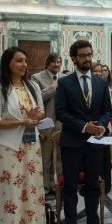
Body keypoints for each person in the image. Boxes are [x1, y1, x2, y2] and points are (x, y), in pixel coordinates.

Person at [55, 40, 112, 224]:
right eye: (82, 55)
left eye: (89, 55)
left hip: (95, 142)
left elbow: (107, 109)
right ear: (73, 58)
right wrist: (84, 126)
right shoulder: (64, 83)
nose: (87, 59)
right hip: (72, 142)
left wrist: (102, 125)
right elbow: (60, 112)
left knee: (93, 186)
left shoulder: (100, 82)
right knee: (70, 187)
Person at [0, 46, 46, 224]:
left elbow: (40, 112)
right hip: (8, 147)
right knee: (11, 191)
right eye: (19, 61)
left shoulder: (33, 86)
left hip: (31, 145)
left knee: (30, 189)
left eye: (25, 61)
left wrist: (36, 118)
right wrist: (22, 121)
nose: (24, 64)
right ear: (8, 63)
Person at [31, 53, 65, 196]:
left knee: (59, 158)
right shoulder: (36, 78)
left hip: (61, 122)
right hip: (46, 122)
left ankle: (58, 184)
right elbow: (37, 98)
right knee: (46, 157)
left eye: (58, 62)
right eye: (53, 62)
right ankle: (45, 187)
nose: (56, 65)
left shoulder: (64, 78)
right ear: (47, 63)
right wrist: (53, 87)